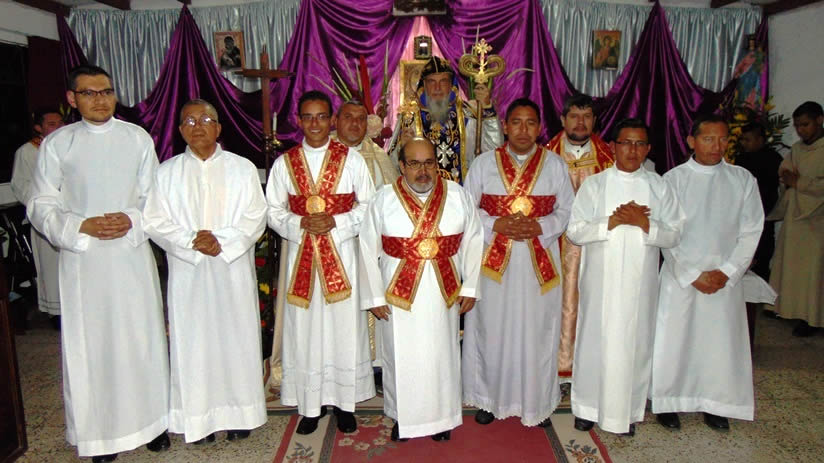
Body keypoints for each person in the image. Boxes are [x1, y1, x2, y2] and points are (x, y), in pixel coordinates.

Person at [27, 65, 170, 462]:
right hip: (85, 260)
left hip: (130, 257)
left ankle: (153, 423)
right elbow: (41, 203)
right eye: (89, 93)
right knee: (93, 347)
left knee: (141, 340)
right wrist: (79, 225)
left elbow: (154, 198)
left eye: (106, 91)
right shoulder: (59, 144)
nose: (100, 100)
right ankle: (100, 436)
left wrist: (132, 219)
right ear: (72, 99)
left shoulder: (136, 137)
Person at [143, 99, 268, 444]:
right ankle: (198, 419)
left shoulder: (242, 168)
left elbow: (256, 215)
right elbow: (154, 220)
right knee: (193, 342)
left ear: (219, 127)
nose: (197, 126)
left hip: (232, 270)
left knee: (236, 339)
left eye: (205, 120)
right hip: (188, 273)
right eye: (189, 121)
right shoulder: (165, 173)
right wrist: (190, 241)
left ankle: (240, 414)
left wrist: (222, 241)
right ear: (180, 130)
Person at [266, 90, 376, 435]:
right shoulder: (285, 163)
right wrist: (300, 223)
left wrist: (336, 223)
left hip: (342, 258)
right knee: (305, 331)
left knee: (344, 328)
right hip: (302, 259)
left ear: (332, 120)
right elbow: (272, 211)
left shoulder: (352, 161)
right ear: (299, 121)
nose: (315, 123)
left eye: (322, 116)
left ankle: (345, 404)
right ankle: (310, 406)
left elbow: (368, 206)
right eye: (308, 117)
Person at [359, 137, 483, 442]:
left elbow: (474, 239)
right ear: (401, 166)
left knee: (442, 357)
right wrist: (374, 295)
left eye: (429, 162)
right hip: (398, 296)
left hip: (444, 294)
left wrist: (470, 287)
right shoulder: (383, 199)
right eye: (414, 163)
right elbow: (366, 248)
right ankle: (403, 418)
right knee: (402, 359)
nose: (423, 170)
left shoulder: (457, 195)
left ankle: (442, 419)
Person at [567, 119, 684, 436]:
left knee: (636, 344)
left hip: (639, 285)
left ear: (648, 149)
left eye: (639, 144)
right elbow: (575, 231)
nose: (632, 150)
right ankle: (587, 408)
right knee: (593, 341)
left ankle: (627, 412)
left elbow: (675, 234)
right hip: (599, 283)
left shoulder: (659, 186)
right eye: (626, 143)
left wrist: (645, 224)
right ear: (613, 146)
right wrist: (612, 221)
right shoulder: (595, 185)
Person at [461, 98, 574, 427]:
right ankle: (488, 399)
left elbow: (567, 210)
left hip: (539, 262)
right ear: (505, 126)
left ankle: (536, 403)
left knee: (537, 332)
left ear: (539, 128)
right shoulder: (483, 164)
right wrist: (495, 223)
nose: (523, 130)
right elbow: (467, 209)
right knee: (491, 329)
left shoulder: (555, 165)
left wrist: (541, 226)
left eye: (530, 123)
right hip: (494, 263)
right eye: (516, 122)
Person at [651, 114, 763, 431]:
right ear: (692, 141)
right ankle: (669, 400)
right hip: (681, 276)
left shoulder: (742, 180)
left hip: (723, 278)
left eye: (723, 139)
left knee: (719, 343)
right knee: (675, 340)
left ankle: (716, 403)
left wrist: (727, 271)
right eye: (708, 139)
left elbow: (751, 231)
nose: (717, 146)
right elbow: (665, 232)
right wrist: (691, 273)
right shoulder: (673, 180)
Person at [545, 94, 614, 380]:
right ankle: (552, 366)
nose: (580, 122)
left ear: (594, 121)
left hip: (594, 244)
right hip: (553, 242)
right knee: (555, 303)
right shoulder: (545, 157)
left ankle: (586, 368)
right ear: (563, 119)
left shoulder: (609, 158)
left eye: (586, 117)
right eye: (574, 116)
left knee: (591, 302)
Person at [331, 98, 399, 380]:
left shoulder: (378, 156)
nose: (355, 124)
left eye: (361, 119)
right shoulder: (324, 155)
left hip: (370, 247)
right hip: (333, 244)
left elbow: (393, 202)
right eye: (348, 117)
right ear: (336, 120)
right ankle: (338, 364)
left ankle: (374, 365)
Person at [391, 56, 503, 184]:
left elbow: (493, 150)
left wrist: (487, 107)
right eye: (432, 82)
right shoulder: (409, 117)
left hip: (462, 190)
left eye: (443, 81)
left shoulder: (468, 115)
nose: (437, 87)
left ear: (451, 84)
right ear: (424, 85)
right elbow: (393, 165)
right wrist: (402, 148)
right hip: (422, 190)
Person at [768, 101, 824, 337]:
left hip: (817, 219)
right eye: (798, 126)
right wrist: (787, 176)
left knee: (814, 271)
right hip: (796, 216)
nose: (801, 130)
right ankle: (786, 307)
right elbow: (785, 169)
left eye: (805, 124)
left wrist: (800, 183)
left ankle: (813, 317)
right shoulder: (798, 149)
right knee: (791, 264)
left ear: (820, 120)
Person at [11, 107, 64, 323]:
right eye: (51, 124)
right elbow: (20, 184)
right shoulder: (27, 152)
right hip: (47, 217)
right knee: (51, 266)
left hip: (72, 215)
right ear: (38, 127)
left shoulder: (68, 146)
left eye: (60, 123)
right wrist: (42, 206)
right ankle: (57, 313)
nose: (58, 127)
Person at [734, 122, 783, 280]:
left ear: (760, 140)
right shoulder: (741, 159)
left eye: (748, 140)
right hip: (742, 216)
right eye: (742, 139)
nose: (743, 143)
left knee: (761, 259)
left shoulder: (773, 159)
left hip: (764, 215)